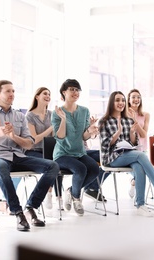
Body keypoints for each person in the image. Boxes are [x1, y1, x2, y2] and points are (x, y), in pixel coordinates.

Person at [0, 80, 59, 231]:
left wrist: (14, 137)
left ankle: (31, 207)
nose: (12, 94)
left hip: (17, 156)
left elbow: (29, 144)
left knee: (52, 166)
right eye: (8, 91)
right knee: (1, 166)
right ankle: (18, 212)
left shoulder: (20, 116)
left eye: (13, 91)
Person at [99, 91, 154, 217]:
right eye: (117, 100)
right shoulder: (104, 121)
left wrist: (131, 133)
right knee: (141, 155)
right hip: (111, 157)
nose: (121, 103)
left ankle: (140, 204)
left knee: (139, 167)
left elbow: (134, 141)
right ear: (111, 103)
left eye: (122, 100)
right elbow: (105, 145)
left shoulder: (127, 120)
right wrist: (117, 133)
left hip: (127, 154)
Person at [51, 79, 100, 217]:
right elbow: (60, 137)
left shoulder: (84, 111)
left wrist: (90, 130)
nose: (75, 92)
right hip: (62, 154)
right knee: (80, 169)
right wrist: (63, 120)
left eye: (77, 90)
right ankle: (77, 199)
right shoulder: (57, 112)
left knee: (95, 169)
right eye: (71, 89)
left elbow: (84, 137)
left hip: (79, 152)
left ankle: (71, 191)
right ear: (64, 93)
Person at [24, 87, 61, 210]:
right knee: (52, 163)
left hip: (48, 151)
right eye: (45, 93)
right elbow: (34, 139)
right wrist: (51, 128)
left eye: (49, 94)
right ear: (37, 96)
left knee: (58, 161)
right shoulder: (29, 116)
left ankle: (57, 196)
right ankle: (48, 193)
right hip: (33, 152)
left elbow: (54, 136)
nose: (48, 96)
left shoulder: (51, 114)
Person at [126, 89, 150, 198]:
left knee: (143, 169)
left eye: (138, 97)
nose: (136, 99)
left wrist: (135, 120)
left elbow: (144, 134)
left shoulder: (145, 115)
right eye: (133, 97)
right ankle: (134, 184)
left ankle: (133, 183)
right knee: (141, 170)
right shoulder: (123, 114)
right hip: (129, 150)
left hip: (142, 149)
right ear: (129, 100)